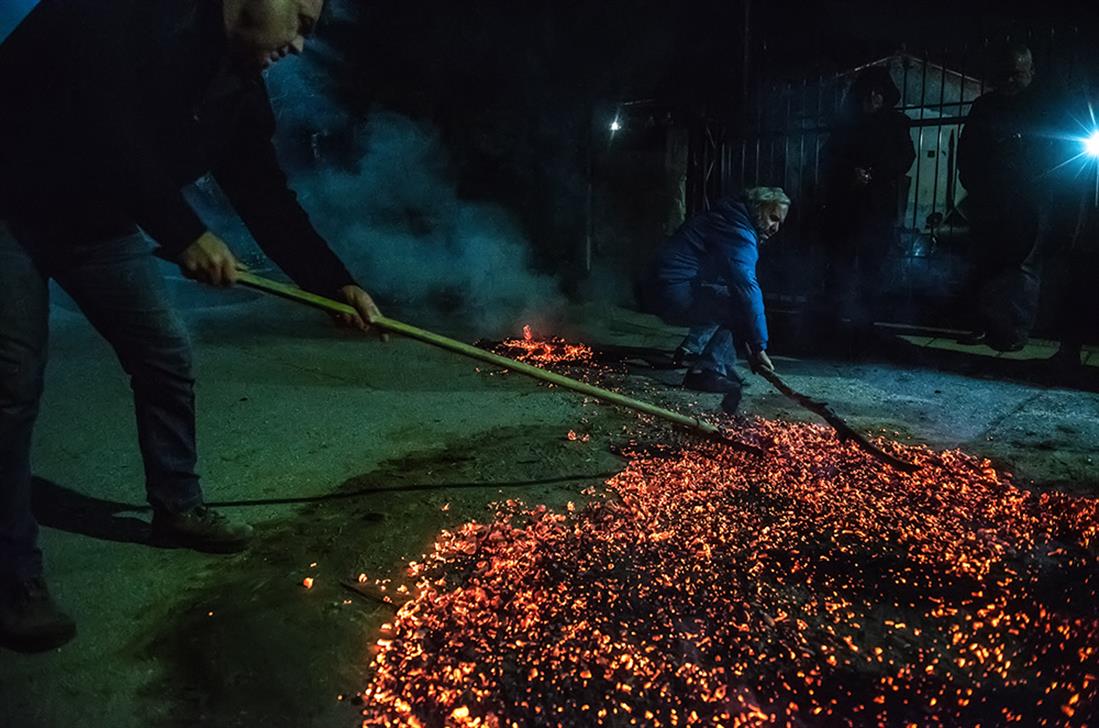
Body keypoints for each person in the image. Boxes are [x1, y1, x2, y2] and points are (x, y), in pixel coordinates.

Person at [0, 0, 384, 652]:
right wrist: (183, 233)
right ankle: (13, 579)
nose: (300, 44)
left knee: (165, 353)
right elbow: (103, 127)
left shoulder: (236, 84)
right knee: (12, 381)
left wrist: (330, 283)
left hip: (95, 223)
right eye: (301, 21)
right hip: (9, 201)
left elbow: (263, 192)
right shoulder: (131, 18)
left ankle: (177, 507)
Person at [642, 187, 789, 407]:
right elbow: (747, 288)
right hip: (668, 291)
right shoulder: (738, 232)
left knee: (728, 296)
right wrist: (759, 347)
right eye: (773, 218)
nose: (775, 228)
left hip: (663, 286)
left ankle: (705, 358)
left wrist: (750, 340)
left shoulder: (728, 217)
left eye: (779, 223)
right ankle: (706, 370)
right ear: (758, 209)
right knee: (737, 302)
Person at [957, 43, 1058, 351]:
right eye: (1005, 74)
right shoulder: (985, 106)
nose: (1010, 81)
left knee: (1022, 266)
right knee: (986, 261)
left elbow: (1052, 153)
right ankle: (984, 324)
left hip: (1028, 199)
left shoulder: (1041, 108)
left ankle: (1012, 330)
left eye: (1017, 74)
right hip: (992, 196)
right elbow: (968, 151)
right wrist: (975, 184)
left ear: (1031, 72)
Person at [820, 65, 915, 339]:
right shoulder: (845, 123)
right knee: (840, 263)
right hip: (845, 206)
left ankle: (866, 321)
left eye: (878, 92)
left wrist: (873, 173)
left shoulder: (897, 123)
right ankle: (833, 316)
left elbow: (904, 158)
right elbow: (828, 157)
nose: (872, 97)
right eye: (867, 91)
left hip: (878, 206)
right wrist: (849, 172)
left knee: (873, 264)